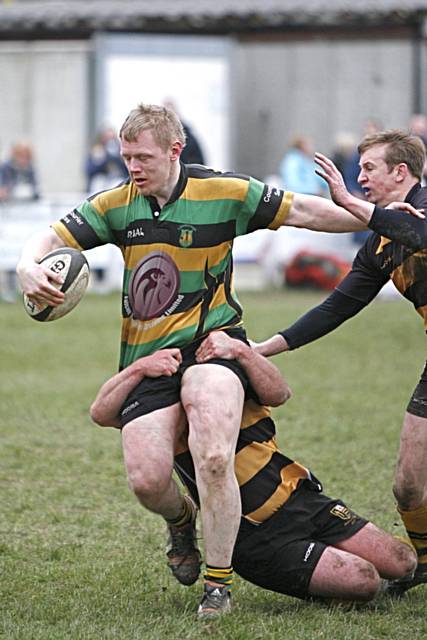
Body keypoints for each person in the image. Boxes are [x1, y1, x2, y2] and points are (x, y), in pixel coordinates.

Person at [15, 103, 403, 617]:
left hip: (213, 346)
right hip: (149, 355)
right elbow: (53, 236)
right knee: (147, 479)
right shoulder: (116, 204)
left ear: (175, 151)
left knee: (214, 454)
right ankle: (182, 520)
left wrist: (378, 219)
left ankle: (217, 584)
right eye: (126, 156)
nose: (132, 167)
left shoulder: (224, 192)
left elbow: (305, 212)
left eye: (143, 158)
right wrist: (26, 265)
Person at [90, 330, 416, 614]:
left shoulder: (228, 371)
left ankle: (331, 569)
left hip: (303, 500)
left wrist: (241, 351)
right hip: (258, 537)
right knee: (364, 580)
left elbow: (281, 392)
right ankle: (322, 577)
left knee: (402, 561)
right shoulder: (162, 404)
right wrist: (138, 368)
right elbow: (101, 412)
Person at [254, 129, 427, 596]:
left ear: (401, 172)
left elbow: (417, 232)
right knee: (409, 487)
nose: (359, 176)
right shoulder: (377, 245)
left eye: (369, 168)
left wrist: (349, 203)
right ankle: (425, 565)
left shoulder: (422, 210)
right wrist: (261, 349)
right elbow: (336, 308)